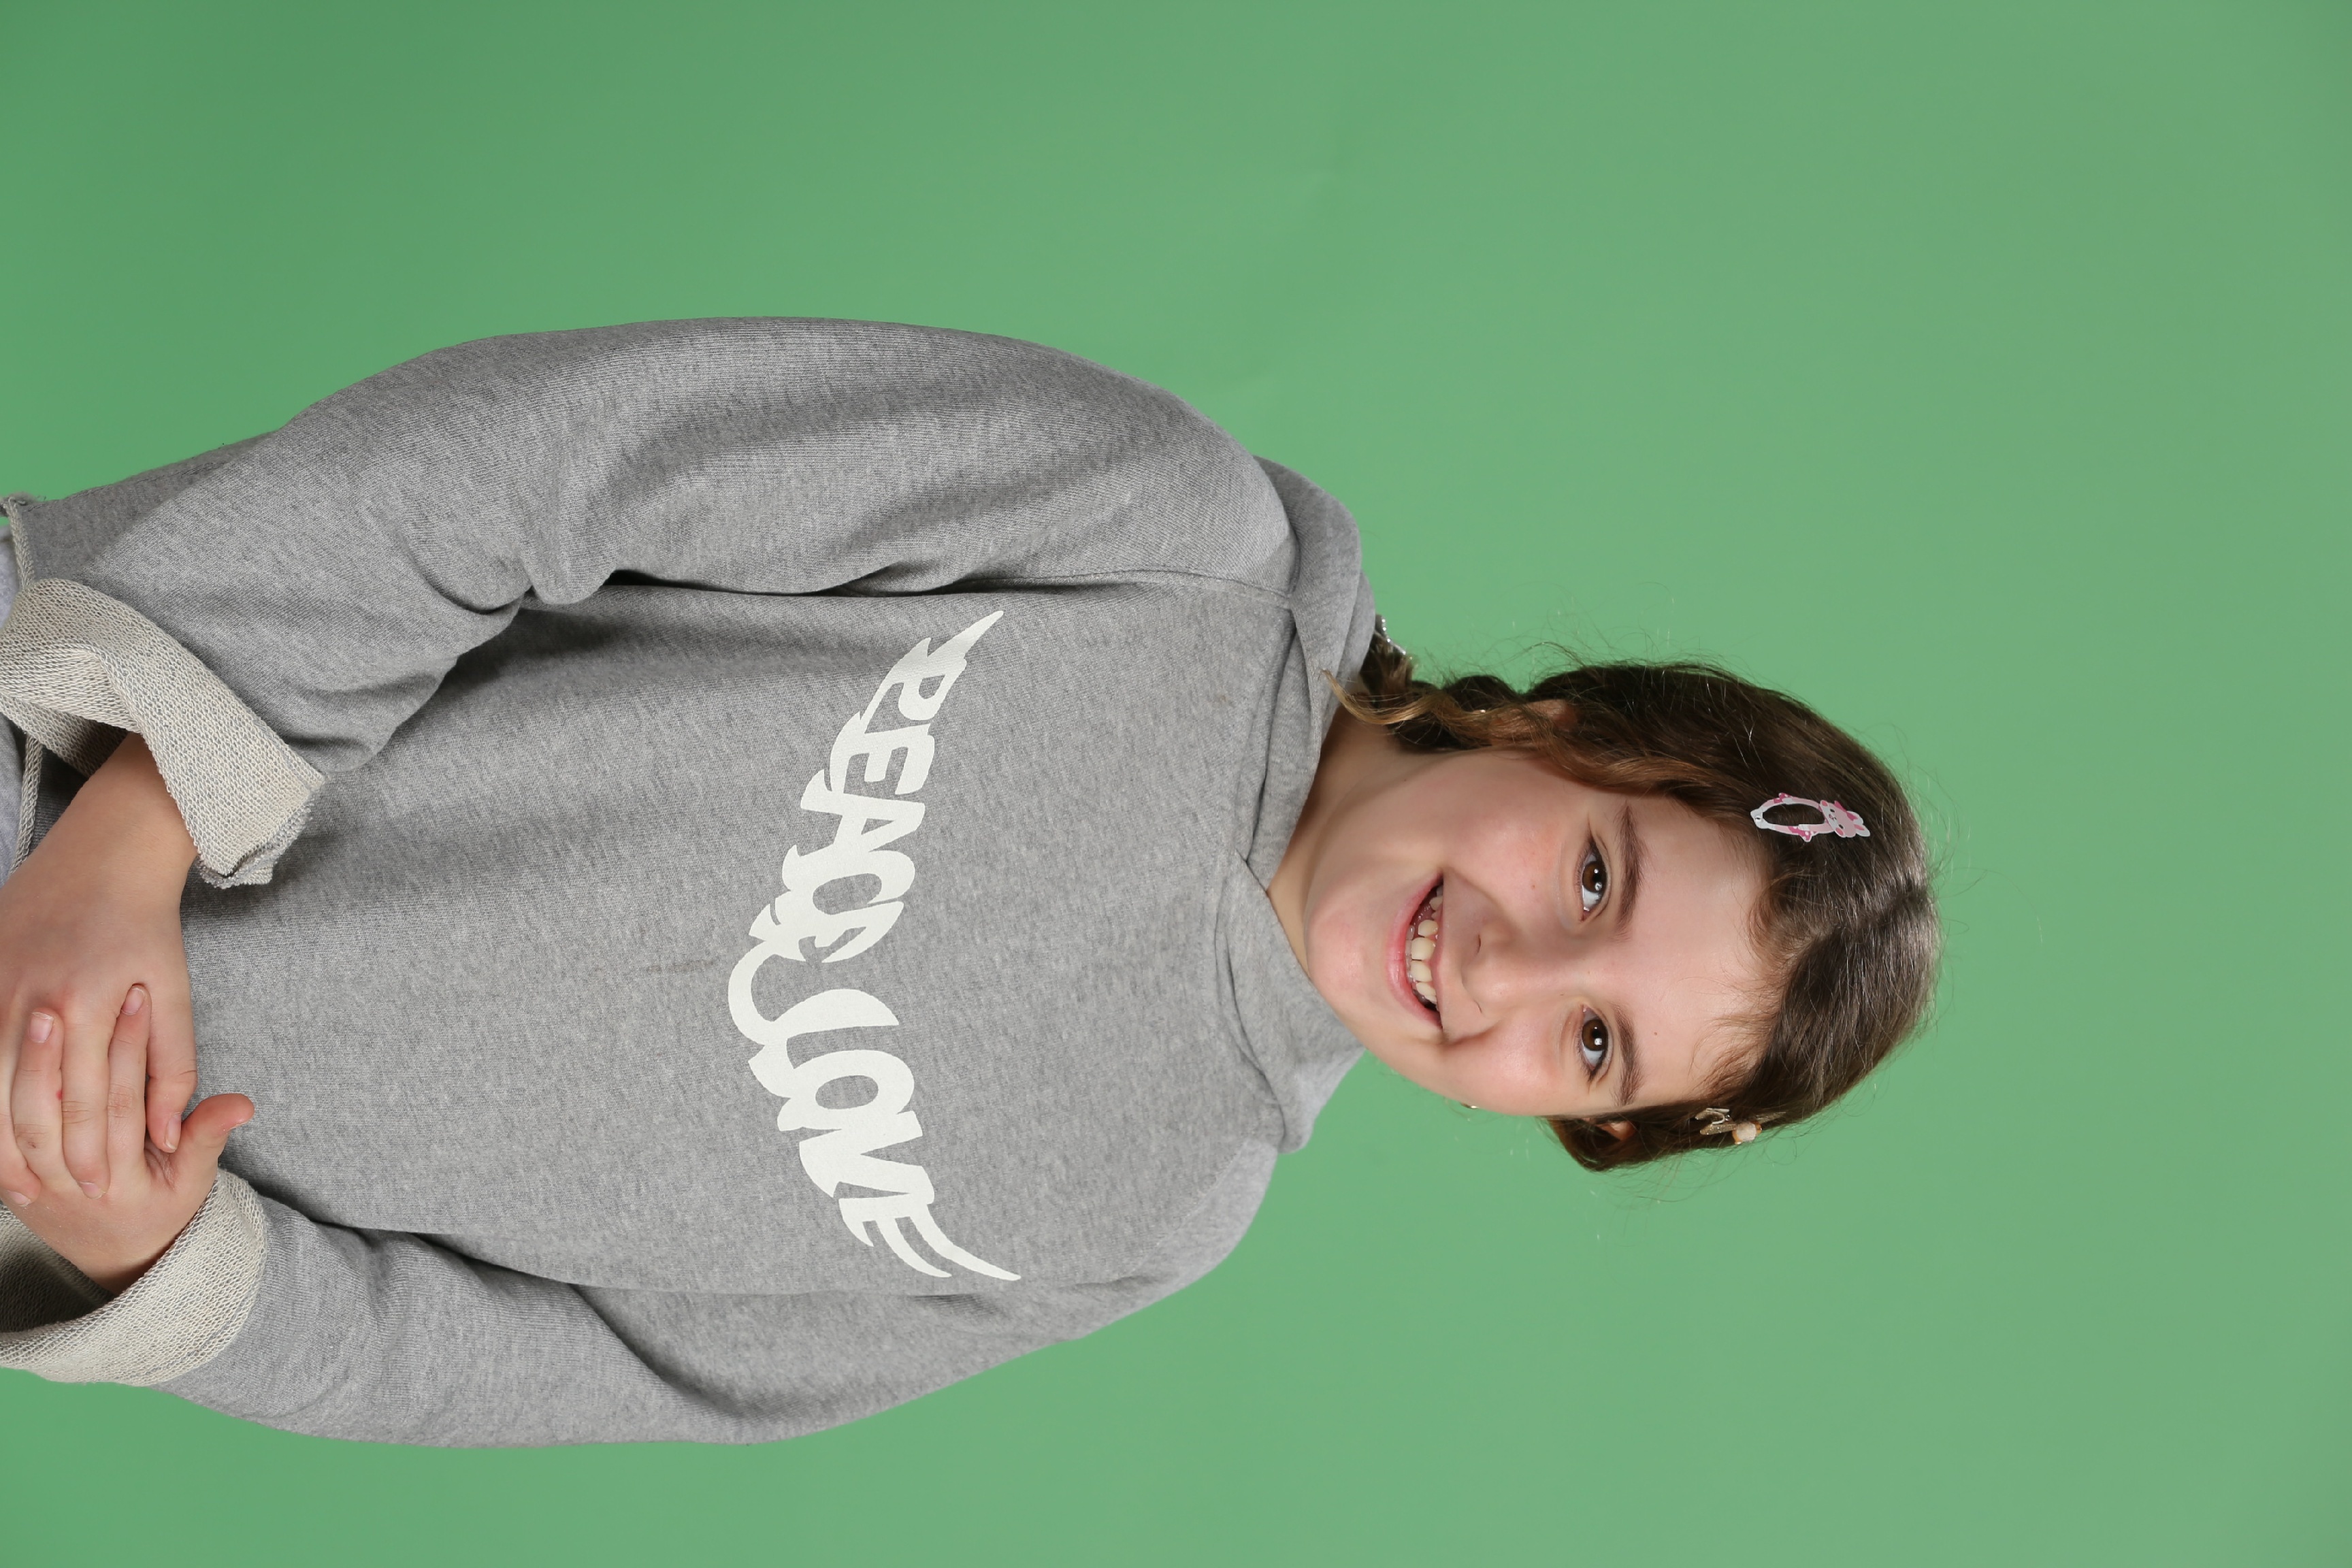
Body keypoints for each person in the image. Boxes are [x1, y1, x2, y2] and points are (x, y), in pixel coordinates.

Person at [0, 319, 1938, 1443]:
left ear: (1584, 1125)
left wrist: (146, 1259)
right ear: (1575, 732)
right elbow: (541, 460)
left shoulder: (1146, 1217)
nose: (1509, 972)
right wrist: (131, 831)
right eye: (1594, 874)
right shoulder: (1167, 540)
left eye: (1594, 1047)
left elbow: (570, 1365)